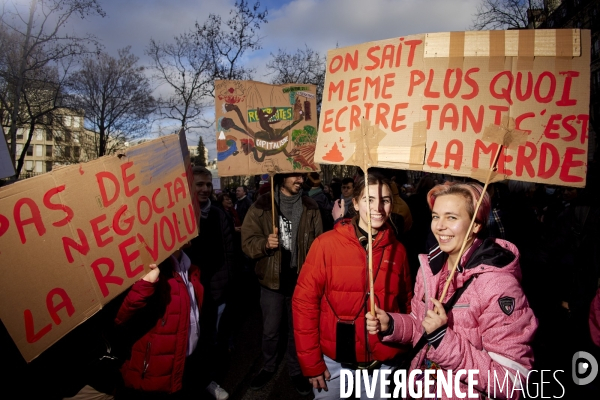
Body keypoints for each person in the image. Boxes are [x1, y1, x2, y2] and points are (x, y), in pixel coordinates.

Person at [366, 181, 538, 399]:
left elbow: (511, 382)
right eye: (436, 216)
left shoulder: (498, 287)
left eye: (452, 217)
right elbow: (422, 326)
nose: (439, 226)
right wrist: (392, 324)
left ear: (476, 224)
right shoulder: (430, 269)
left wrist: (444, 341)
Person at [293, 171, 413, 399]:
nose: (378, 207)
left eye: (385, 200)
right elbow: (304, 305)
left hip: (383, 366)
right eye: (369, 199)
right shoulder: (326, 245)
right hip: (334, 367)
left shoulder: (398, 250)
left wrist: (404, 351)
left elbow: (406, 303)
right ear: (355, 204)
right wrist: (311, 362)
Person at [242, 172, 323, 395]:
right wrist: (264, 244)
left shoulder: (311, 206)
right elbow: (247, 242)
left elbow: (319, 245)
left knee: (297, 330)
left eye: (302, 175)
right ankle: (268, 367)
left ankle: (295, 370)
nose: (300, 180)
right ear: (281, 177)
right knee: (270, 331)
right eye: (295, 176)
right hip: (271, 282)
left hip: (302, 283)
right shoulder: (261, 206)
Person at [114, 245, 213, 398]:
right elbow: (119, 318)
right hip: (154, 376)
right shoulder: (146, 267)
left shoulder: (191, 266)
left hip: (184, 363)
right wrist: (145, 285)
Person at [184, 166, 233, 399]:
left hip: (213, 291)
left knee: (210, 340)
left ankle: (208, 380)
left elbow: (228, 252)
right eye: (199, 184)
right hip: (187, 292)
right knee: (186, 342)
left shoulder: (218, 214)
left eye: (207, 184)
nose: (204, 189)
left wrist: (223, 284)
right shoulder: (180, 215)